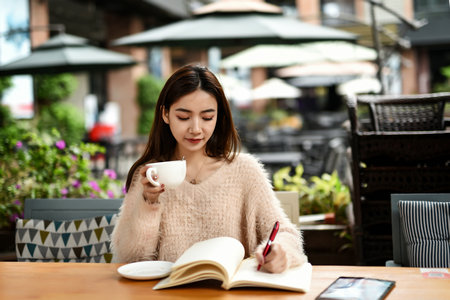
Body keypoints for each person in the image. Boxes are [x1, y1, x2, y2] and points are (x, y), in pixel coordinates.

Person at [111, 64, 307, 273]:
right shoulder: (150, 174)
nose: (195, 128)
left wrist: (279, 252)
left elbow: (286, 234)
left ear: (219, 116)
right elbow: (129, 258)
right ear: (165, 114)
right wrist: (149, 203)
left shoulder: (245, 171)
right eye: (183, 117)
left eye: (207, 117)